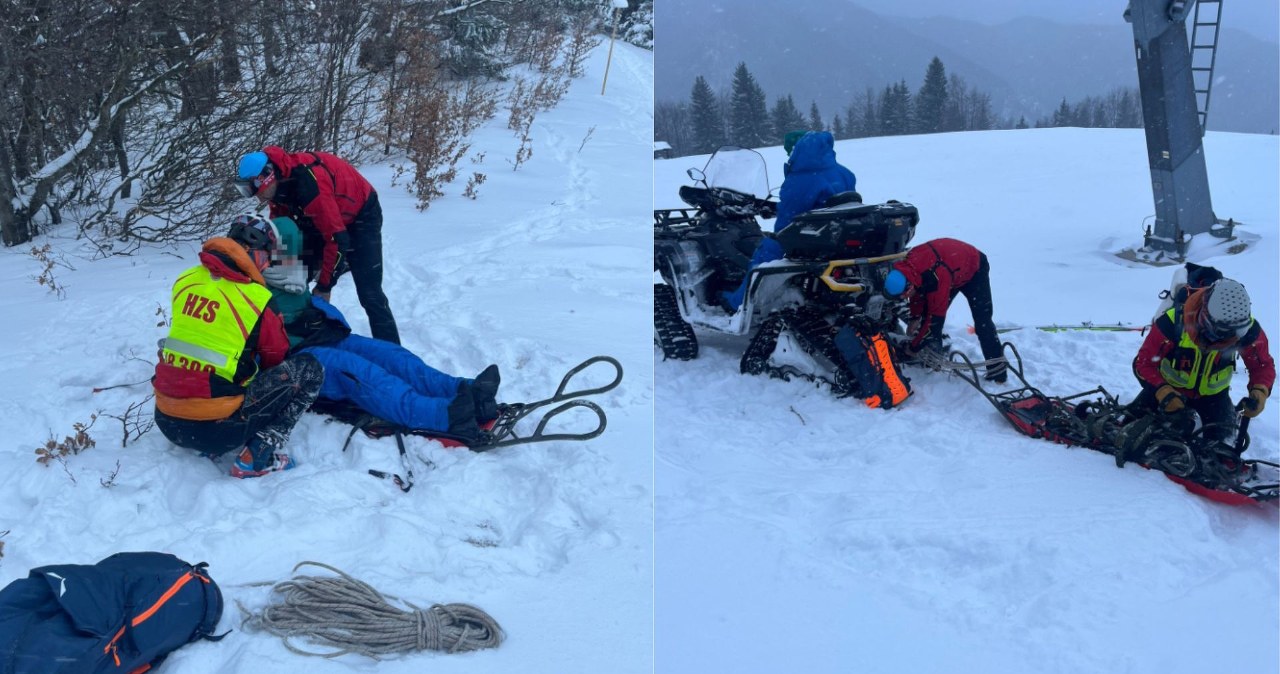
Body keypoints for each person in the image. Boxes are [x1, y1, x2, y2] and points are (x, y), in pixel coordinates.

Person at [234, 216, 500, 443]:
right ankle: (443, 416)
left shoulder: (280, 278)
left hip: (318, 337)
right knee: (359, 372)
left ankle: (466, 391)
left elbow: (299, 300)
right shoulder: (239, 291)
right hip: (292, 364)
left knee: (390, 355)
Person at [153, 218, 324, 478]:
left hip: (165, 418)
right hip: (216, 429)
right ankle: (257, 456)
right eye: (267, 258)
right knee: (310, 370)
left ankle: (208, 438)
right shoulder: (257, 298)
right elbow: (275, 360)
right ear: (257, 255)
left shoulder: (185, 279)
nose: (267, 265)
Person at [234, 147, 400, 344]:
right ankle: (300, 332)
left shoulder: (308, 184)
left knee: (370, 293)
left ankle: (393, 350)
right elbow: (283, 229)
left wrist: (324, 286)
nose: (257, 197)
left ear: (267, 177)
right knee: (297, 271)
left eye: (257, 190)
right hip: (319, 218)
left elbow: (337, 239)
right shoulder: (279, 186)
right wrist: (278, 262)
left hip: (360, 216)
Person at [1128, 278, 1273, 448]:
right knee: (1129, 428)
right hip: (1167, 391)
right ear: (1206, 317)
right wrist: (1162, 391)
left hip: (1214, 398)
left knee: (1224, 447)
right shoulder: (1172, 321)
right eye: (1222, 333)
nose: (1229, 339)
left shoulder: (1247, 330)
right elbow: (1143, 363)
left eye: (1235, 334)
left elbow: (1262, 366)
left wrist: (1260, 391)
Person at [722, 131, 856, 310]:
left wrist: (776, 235)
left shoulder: (801, 179)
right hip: (836, 235)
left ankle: (738, 303)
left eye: (790, 151)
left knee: (764, 252)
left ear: (797, 151)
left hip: (811, 239)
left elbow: (786, 222)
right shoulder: (844, 173)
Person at [882, 237, 1007, 383]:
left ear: (908, 287)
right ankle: (934, 358)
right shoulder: (908, 268)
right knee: (925, 317)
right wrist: (914, 318)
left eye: (903, 295)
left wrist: (913, 348)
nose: (903, 298)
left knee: (982, 322)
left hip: (974, 268)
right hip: (950, 268)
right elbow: (917, 293)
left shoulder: (935, 279)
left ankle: (997, 372)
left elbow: (934, 321)